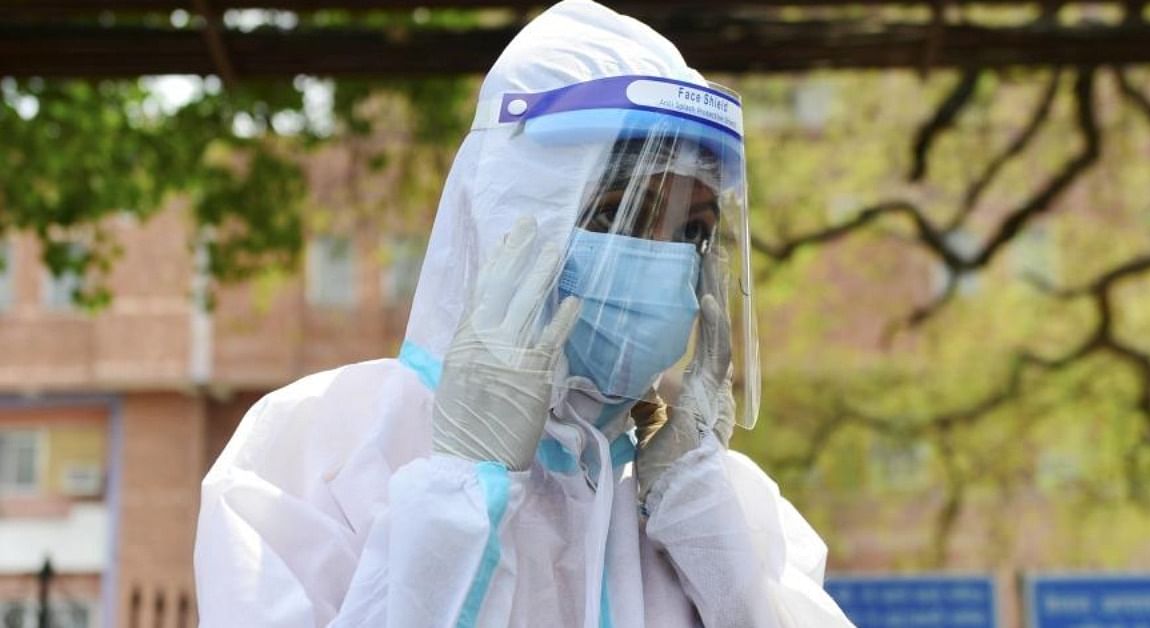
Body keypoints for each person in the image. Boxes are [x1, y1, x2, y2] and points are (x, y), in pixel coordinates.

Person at [193, 1, 855, 626]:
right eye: (614, 215)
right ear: (514, 213)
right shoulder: (321, 448)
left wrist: (703, 520)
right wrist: (456, 493)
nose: (660, 260)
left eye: (691, 232)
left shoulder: (730, 505)